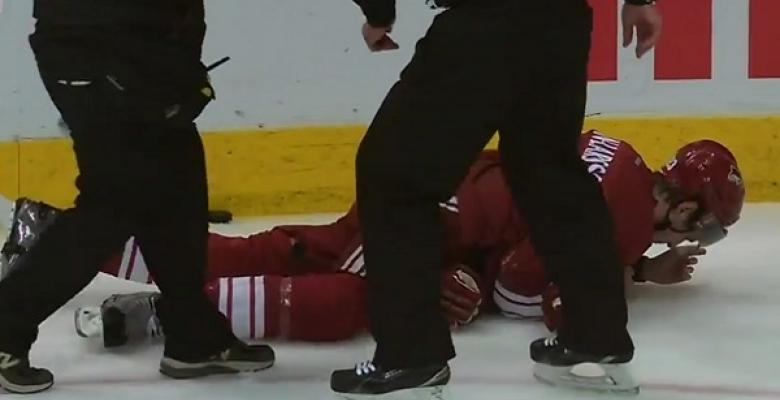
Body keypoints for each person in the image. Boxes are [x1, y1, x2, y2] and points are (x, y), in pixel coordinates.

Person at [3, 132, 743, 355]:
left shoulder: (619, 159)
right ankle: (170, 314)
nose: (698, 235)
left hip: (425, 181)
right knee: (351, 301)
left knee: (289, 249)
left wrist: (633, 265)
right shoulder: (619, 219)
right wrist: (616, 279)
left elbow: (520, 218)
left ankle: (58, 237)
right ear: (682, 205)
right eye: (704, 223)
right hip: (429, 217)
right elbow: (522, 291)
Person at [334, 0, 666, 396]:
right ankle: (595, 335)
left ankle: (410, 354)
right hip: (562, 24)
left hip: (483, 24)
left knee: (394, 175)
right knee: (549, 176)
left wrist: (378, 14)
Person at [0, 0, 273, 394]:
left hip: (130, 50)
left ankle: (193, 336)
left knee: (177, 181)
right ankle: (7, 324)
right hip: (104, 50)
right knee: (113, 201)